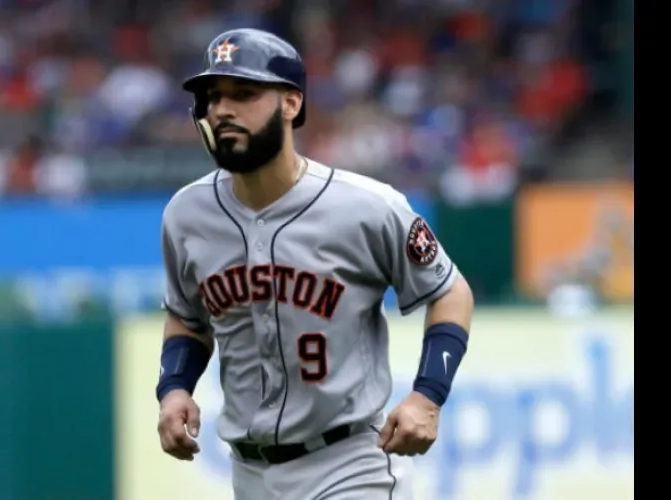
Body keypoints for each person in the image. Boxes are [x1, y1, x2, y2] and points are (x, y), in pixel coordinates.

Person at [156, 28, 475, 500]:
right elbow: (187, 318)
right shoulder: (187, 214)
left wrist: (428, 395)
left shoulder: (367, 206)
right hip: (247, 473)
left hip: (347, 464)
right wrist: (174, 388)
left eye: (244, 93)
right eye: (212, 96)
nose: (223, 109)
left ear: (291, 104)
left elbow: (450, 292)